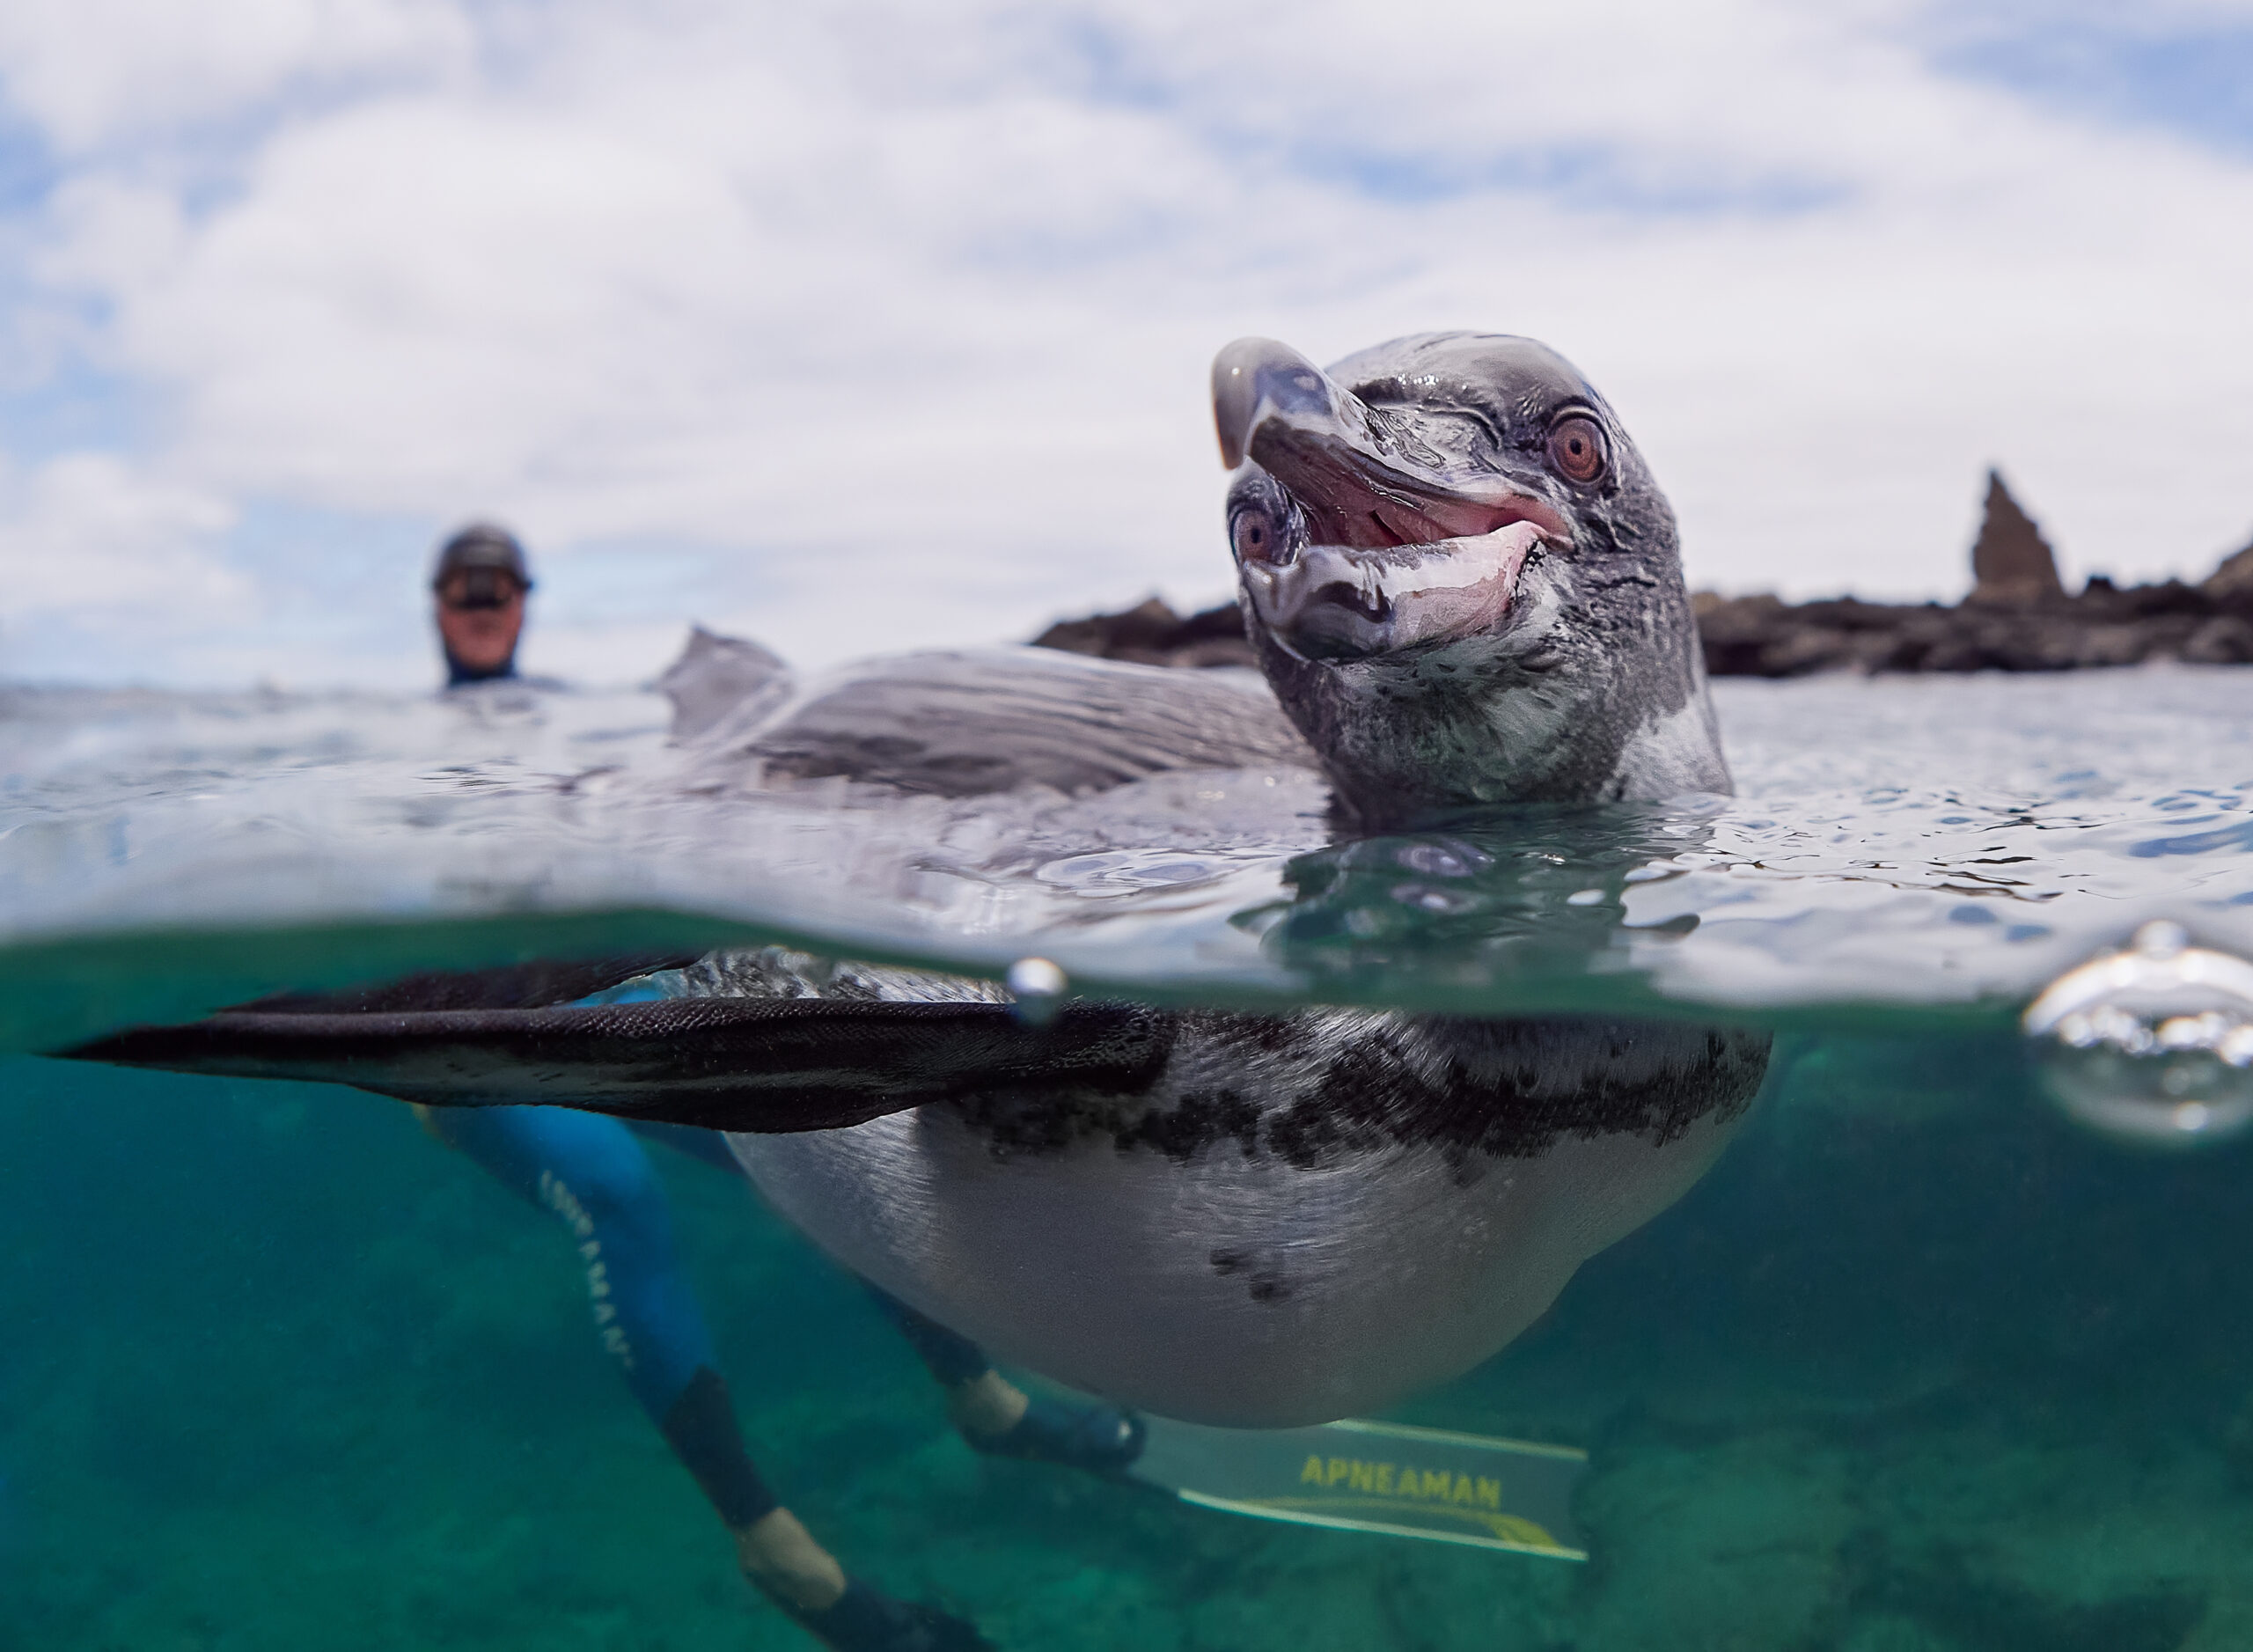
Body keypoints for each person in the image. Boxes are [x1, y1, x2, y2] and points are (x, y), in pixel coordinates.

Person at [418, 524, 1141, 1652]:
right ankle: (783, 1560)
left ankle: (984, 1403)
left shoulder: (568, 722)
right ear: (434, 603)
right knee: (620, 1194)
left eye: (496, 582)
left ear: (522, 599)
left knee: (820, 1133)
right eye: (463, 584)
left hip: (600, 1005)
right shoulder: (393, 741)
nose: (479, 598)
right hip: (479, 1049)